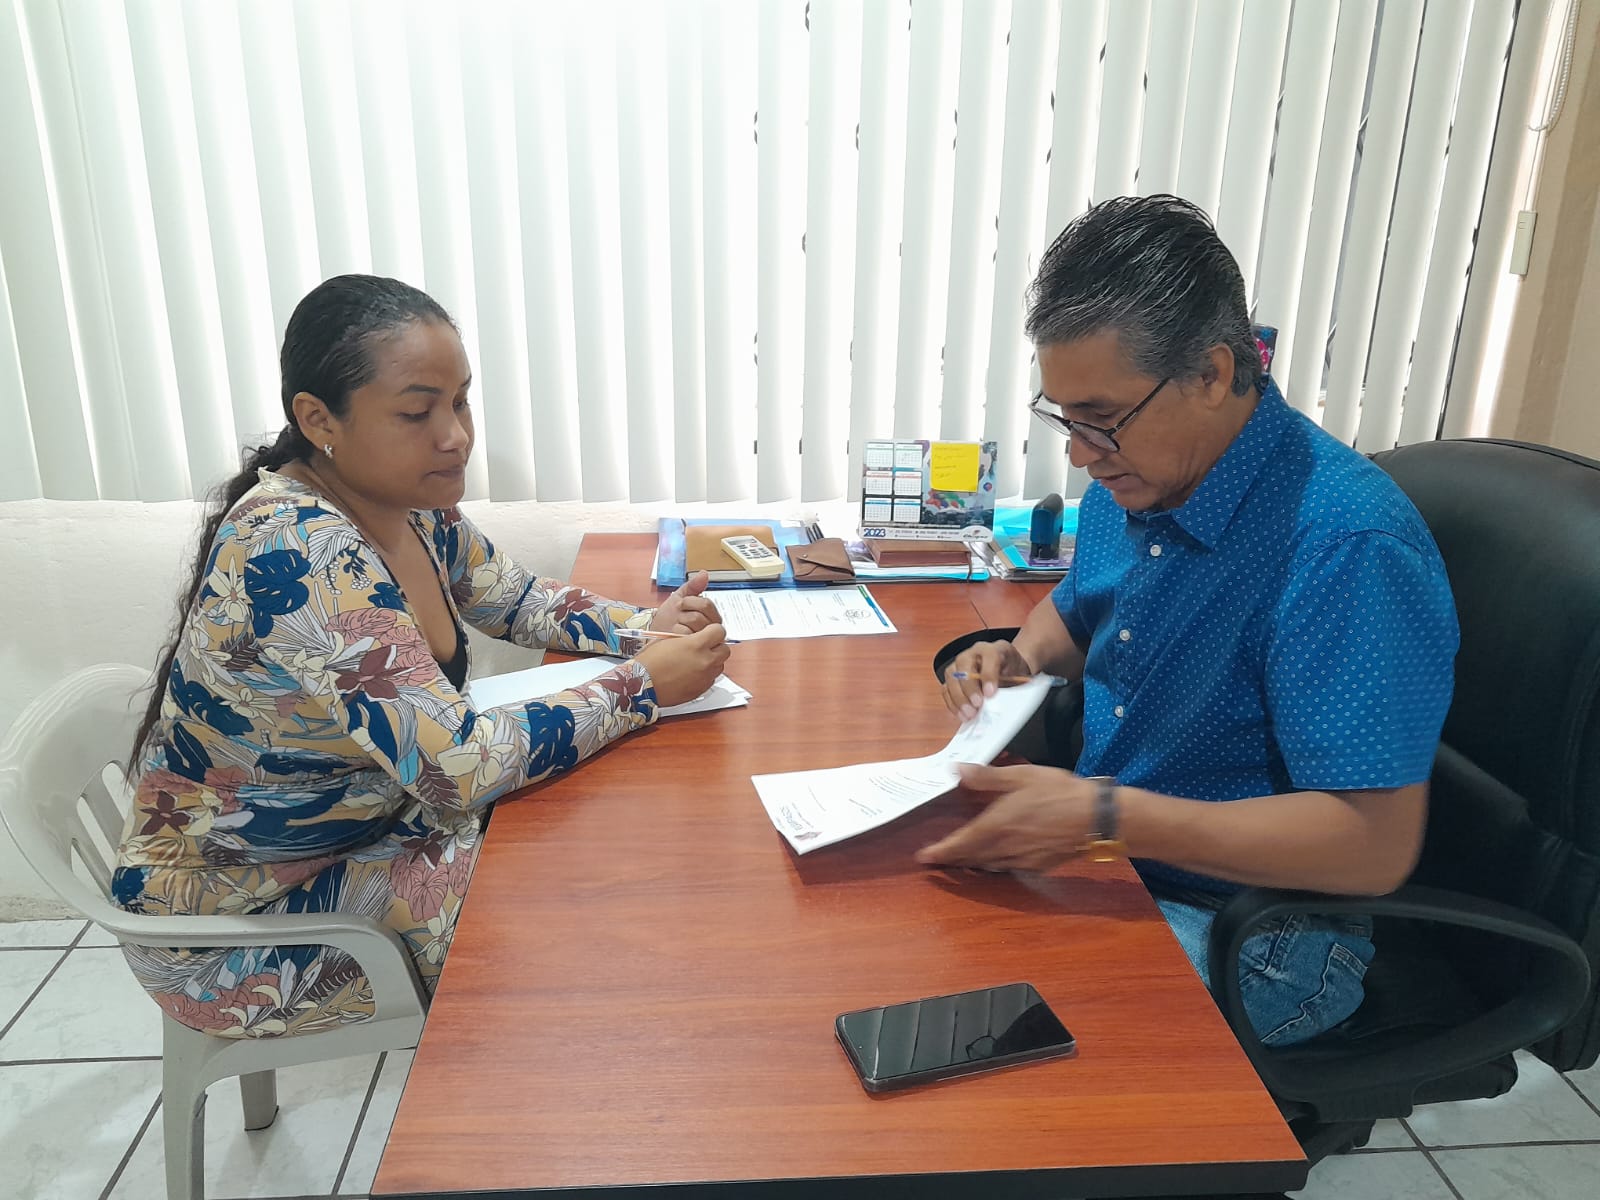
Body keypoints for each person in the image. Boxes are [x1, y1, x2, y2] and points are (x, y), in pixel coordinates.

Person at [114, 274, 731, 1038]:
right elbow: (459, 768)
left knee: (593, 838)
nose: (455, 436)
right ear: (318, 418)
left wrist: (645, 628)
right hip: (238, 927)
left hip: (365, 832)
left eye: (461, 402)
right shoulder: (298, 551)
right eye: (417, 412)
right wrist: (640, 687)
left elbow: (513, 596)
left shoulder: (407, 504)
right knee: (573, 907)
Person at [921, 196, 1459, 1047]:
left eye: (1101, 419)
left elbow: (1373, 847)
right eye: (1065, 418)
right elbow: (1078, 609)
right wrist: (1015, 658)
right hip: (1122, 861)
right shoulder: (1140, 472)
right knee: (914, 940)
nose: (1079, 453)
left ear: (1211, 374)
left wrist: (1102, 819)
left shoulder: (1344, 545)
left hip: (1264, 931)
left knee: (981, 1031)